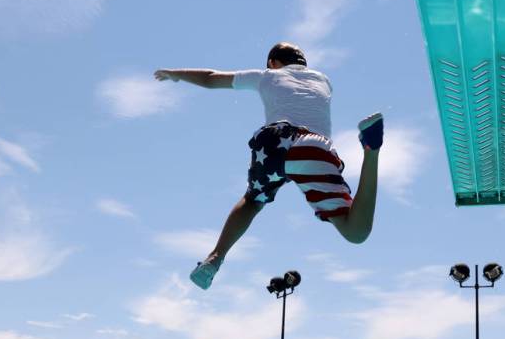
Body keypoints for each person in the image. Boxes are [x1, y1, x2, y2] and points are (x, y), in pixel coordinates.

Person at [154, 42, 384, 290]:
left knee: (253, 201)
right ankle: (372, 150)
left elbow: (210, 79)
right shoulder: (324, 80)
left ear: (272, 63)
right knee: (356, 232)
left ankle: (215, 258)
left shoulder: (268, 75)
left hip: (273, 141)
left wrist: (175, 74)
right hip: (313, 148)